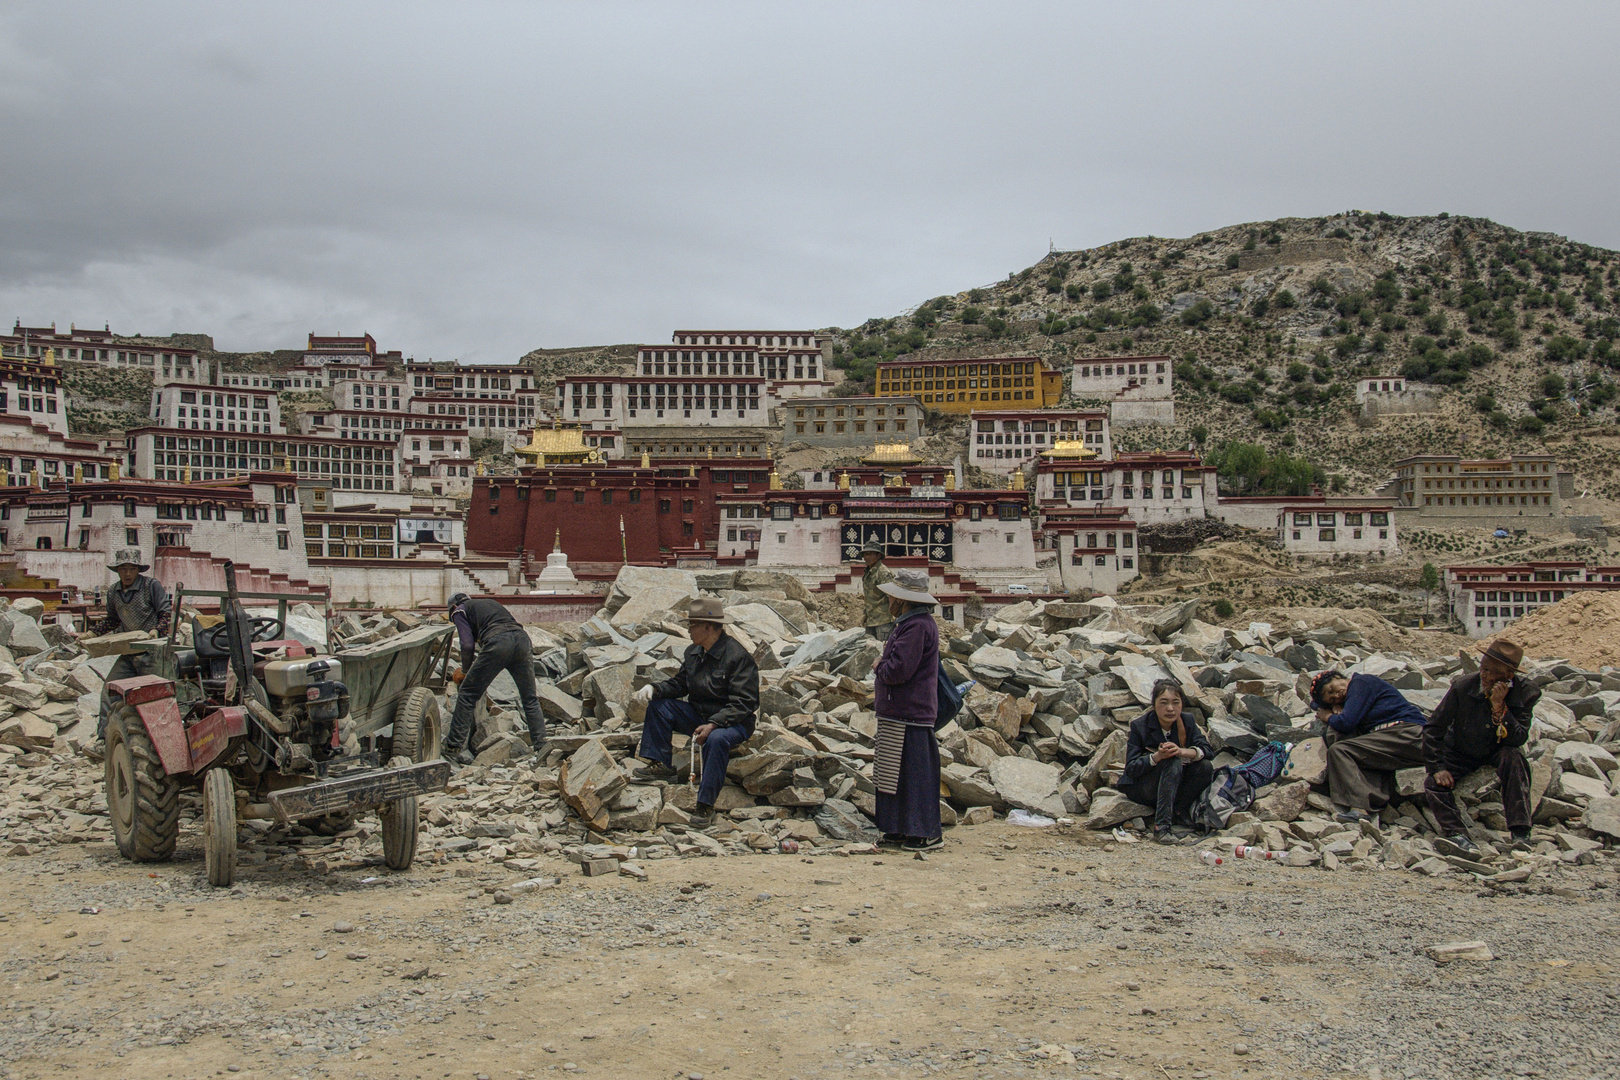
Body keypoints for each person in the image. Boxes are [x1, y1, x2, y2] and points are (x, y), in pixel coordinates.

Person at [629, 597, 760, 827]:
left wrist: (715, 724)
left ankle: (705, 804)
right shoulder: (693, 653)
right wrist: (655, 688)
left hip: (733, 722)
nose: (688, 630)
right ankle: (661, 764)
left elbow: (746, 702)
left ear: (707, 627)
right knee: (660, 707)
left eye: (692, 625)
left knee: (716, 740)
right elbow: (681, 684)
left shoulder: (738, 657)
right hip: (699, 714)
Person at [1423, 640, 1538, 853]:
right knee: (1433, 784)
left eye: (1491, 672)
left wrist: (1500, 707)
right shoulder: (1463, 686)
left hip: (1496, 749)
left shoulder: (1526, 692)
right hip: (1459, 750)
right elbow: (1433, 728)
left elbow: (1518, 738)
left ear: (1508, 676)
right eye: (1483, 668)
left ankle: (1521, 832)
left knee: (1515, 758)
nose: (1484, 675)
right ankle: (1457, 834)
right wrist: (1437, 767)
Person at [872, 568, 943, 851]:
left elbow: (900, 669)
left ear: (902, 601)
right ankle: (898, 827)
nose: (889, 602)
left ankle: (924, 831)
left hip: (910, 714)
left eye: (892, 597)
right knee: (894, 776)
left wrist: (880, 666)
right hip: (899, 713)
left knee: (915, 777)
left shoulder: (916, 627)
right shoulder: (911, 623)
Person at [442, 593, 546, 766]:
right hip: (522, 640)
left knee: (467, 694)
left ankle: (452, 749)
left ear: (453, 607)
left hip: (498, 643)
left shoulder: (458, 611)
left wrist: (466, 671)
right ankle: (542, 748)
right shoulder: (488, 603)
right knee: (529, 698)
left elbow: (466, 644)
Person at [1310, 669, 1427, 823]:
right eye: (1332, 699)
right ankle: (1373, 801)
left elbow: (1346, 723)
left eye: (1332, 689)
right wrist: (1334, 706)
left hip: (1406, 732)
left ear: (1338, 677)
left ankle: (1359, 807)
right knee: (1356, 753)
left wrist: (1329, 716)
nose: (1336, 695)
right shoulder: (1352, 694)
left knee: (1341, 751)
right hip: (1398, 740)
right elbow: (1314, 704)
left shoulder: (1361, 683)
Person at [1118, 679, 1215, 843]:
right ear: (1154, 704)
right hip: (1144, 787)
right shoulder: (1140, 726)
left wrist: (1182, 751)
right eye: (1164, 703)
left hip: (1173, 784)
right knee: (1171, 762)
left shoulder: (1187, 721)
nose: (1170, 708)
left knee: (1205, 767)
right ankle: (1162, 827)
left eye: (1175, 703)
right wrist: (1157, 757)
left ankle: (1179, 811)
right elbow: (1131, 768)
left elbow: (1208, 750)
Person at [94, 548, 172, 745]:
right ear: (117, 570)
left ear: (138, 570)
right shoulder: (113, 591)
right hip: (129, 652)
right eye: (123, 569)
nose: (127, 573)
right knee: (109, 691)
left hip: (152, 652)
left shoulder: (150, 586)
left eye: (131, 569)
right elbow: (112, 620)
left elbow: (166, 613)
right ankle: (104, 739)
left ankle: (160, 740)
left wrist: (156, 630)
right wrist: (91, 634)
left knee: (153, 697)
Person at [859, 541, 895, 641]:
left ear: (878, 555)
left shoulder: (883, 573)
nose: (866, 557)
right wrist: (865, 615)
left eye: (870, 554)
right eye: (865, 554)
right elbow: (869, 598)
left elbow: (892, 596)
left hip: (884, 621)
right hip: (871, 621)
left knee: (883, 652)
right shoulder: (868, 573)